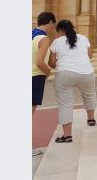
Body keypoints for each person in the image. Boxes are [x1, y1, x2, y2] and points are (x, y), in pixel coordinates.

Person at [48, 19, 97, 144]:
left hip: (65, 73)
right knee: (89, 95)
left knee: (65, 104)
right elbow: (90, 55)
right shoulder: (83, 38)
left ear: (60, 30)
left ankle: (67, 135)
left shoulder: (56, 42)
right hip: (86, 72)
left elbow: (52, 63)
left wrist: (60, 65)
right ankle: (91, 119)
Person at [32, 11, 56, 156]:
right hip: (35, 77)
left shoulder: (31, 35)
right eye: (53, 24)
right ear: (50, 22)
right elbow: (40, 62)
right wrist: (48, 72)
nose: (54, 27)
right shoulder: (44, 39)